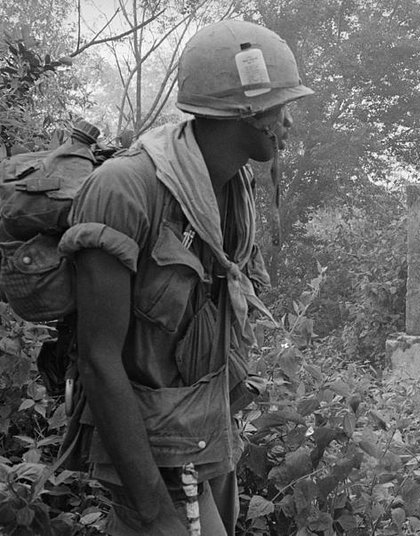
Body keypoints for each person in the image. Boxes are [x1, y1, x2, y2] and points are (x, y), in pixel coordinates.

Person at [58, 20, 313, 535]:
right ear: (246, 113)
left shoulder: (234, 182)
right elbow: (98, 359)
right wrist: (153, 512)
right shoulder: (124, 191)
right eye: (280, 107)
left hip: (207, 427)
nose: (287, 122)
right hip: (149, 446)